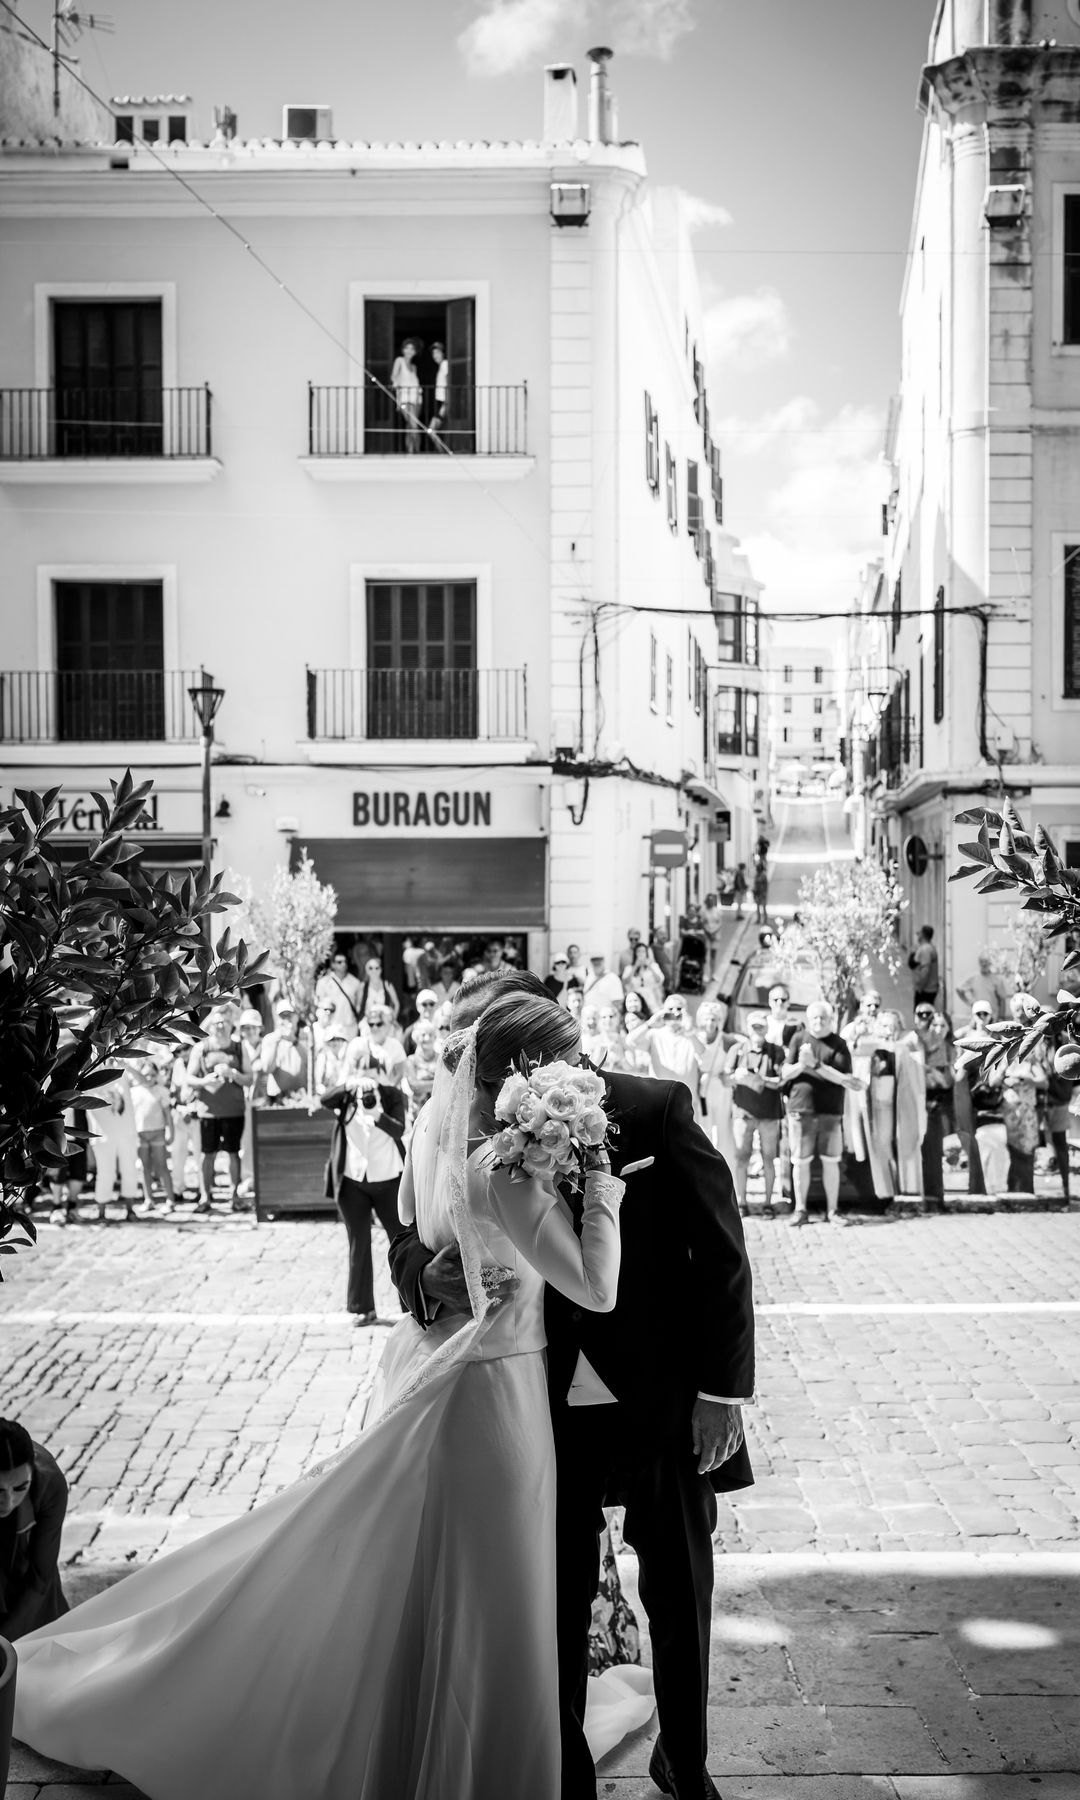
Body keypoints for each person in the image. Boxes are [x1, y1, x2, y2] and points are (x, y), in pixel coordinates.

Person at [13, 993, 635, 1800]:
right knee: (489, 1590)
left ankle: (430, 1741)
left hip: (455, 1379)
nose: (578, 1073)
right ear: (528, 1070)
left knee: (441, 1578)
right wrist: (602, 1187)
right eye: (566, 1061)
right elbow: (595, 1287)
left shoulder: (438, 1141)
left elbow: (411, 1223)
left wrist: (455, 1261)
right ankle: (477, 1765)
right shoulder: (511, 1166)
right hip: (500, 1395)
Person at [389, 971, 755, 1800]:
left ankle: (686, 1763)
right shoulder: (466, 1131)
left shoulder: (657, 1108)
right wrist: (426, 1279)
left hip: (660, 1402)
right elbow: (410, 1233)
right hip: (537, 1404)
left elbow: (723, 1259)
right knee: (546, 1592)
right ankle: (560, 1765)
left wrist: (721, 1394)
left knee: (681, 1585)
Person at [320, 1060, 408, 1326]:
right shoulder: (346, 1097)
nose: (368, 1076)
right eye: (361, 1069)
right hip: (353, 1179)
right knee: (358, 1242)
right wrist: (349, 1085)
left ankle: (411, 1306)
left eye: (372, 1070)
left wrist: (376, 1113)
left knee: (401, 1241)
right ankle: (362, 1307)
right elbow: (324, 1099)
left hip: (388, 1177)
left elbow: (399, 1129)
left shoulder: (392, 1095)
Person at [781, 999, 865, 1227]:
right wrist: (802, 1064)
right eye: (814, 1018)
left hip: (830, 1112)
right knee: (800, 1161)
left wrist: (815, 1065)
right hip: (801, 1110)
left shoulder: (839, 1044)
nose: (818, 1022)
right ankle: (800, 1209)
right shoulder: (799, 1039)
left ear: (830, 1020)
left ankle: (832, 1211)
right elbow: (785, 1072)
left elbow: (846, 1079)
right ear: (809, 1020)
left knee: (831, 1161)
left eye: (823, 1018)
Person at [0, 1420, 68, 1642]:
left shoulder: (49, 1484)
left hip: (24, 1569)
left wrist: (6, 1638)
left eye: (20, 1488)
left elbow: (41, 1574)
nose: (8, 1502)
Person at [188, 1012, 252, 1214]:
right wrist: (205, 1081)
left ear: (231, 1025)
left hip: (234, 1110)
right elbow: (189, 1079)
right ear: (210, 1026)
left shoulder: (239, 1048)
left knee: (233, 1153)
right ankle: (205, 1196)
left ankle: (234, 1196)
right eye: (217, 1023)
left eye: (225, 1022)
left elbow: (249, 1078)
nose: (221, 1026)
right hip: (208, 1112)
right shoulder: (201, 1048)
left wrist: (234, 1074)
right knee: (207, 1154)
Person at [724, 1011, 785, 1215]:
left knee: (769, 1158)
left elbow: (782, 1081)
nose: (757, 1030)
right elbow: (725, 1079)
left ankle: (768, 1202)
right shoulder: (737, 1049)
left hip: (769, 1113)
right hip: (743, 1112)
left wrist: (760, 1079)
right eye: (754, 1027)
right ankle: (741, 1202)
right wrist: (736, 1077)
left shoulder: (776, 1051)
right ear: (748, 1028)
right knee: (742, 1158)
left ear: (767, 1028)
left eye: (761, 1026)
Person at [627, 997, 706, 1124]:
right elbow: (631, 1041)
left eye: (679, 1009)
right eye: (670, 1009)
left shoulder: (693, 1035)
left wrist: (689, 1030)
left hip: (685, 1102)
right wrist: (650, 1023)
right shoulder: (655, 1034)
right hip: (660, 1100)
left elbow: (703, 1053)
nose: (674, 1012)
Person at [912, 1003, 954, 1209]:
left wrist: (927, 1070)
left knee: (932, 1153)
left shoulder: (943, 1045)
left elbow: (943, 1080)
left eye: (930, 1015)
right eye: (922, 1014)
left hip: (934, 1103)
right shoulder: (912, 1040)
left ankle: (935, 1199)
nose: (926, 1019)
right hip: (913, 1101)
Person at [88, 1067, 140, 1222]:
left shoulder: (121, 1068)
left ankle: (130, 1210)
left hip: (126, 1132)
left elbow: (144, 1080)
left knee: (129, 1169)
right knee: (105, 1173)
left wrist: (125, 1063)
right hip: (102, 1134)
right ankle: (101, 1213)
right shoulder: (89, 1073)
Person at [129, 1057, 175, 1216]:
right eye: (146, 1074)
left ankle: (170, 1200)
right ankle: (148, 1199)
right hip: (141, 1135)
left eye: (153, 1074)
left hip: (158, 1133)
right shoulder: (134, 1092)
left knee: (162, 1167)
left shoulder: (161, 1091)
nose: (149, 1077)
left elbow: (168, 1114)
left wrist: (171, 1132)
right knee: (144, 1167)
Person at [346, 1005, 407, 1088]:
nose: (374, 1027)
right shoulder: (357, 1044)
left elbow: (399, 1074)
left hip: (385, 1093)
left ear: (388, 1025)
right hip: (359, 1090)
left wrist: (387, 1090)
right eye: (371, 1024)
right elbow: (348, 1073)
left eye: (379, 1024)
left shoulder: (395, 1045)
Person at [316, 951, 364, 1036]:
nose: (343, 964)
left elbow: (359, 1005)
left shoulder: (355, 982)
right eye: (339, 962)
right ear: (333, 964)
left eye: (345, 962)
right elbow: (319, 1004)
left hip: (349, 1027)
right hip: (330, 1027)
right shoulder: (323, 982)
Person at [391, 335, 423, 452]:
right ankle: (417, 451)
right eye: (407, 348)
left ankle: (410, 451)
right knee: (414, 425)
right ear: (403, 349)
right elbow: (394, 376)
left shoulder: (414, 367)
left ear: (415, 352)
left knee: (410, 426)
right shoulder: (399, 361)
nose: (409, 351)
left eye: (412, 349)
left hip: (417, 399)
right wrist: (395, 383)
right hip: (404, 398)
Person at [956, 952, 1008, 1021]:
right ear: (979, 963)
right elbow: (959, 989)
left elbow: (1002, 1000)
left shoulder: (996, 979)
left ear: (989, 963)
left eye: (986, 962)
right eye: (982, 962)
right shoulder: (974, 978)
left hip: (993, 1018)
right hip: (977, 1017)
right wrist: (970, 1002)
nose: (984, 964)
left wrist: (1001, 1017)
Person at [622, 940, 665, 1016]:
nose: (641, 954)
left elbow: (659, 980)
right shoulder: (629, 968)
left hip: (652, 1001)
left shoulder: (654, 966)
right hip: (636, 1001)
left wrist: (650, 966)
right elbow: (625, 983)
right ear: (635, 953)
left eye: (643, 951)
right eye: (639, 951)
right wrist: (635, 967)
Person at [358, 956, 400, 1023]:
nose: (374, 971)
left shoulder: (387, 985)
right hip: (368, 1024)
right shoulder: (363, 986)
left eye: (377, 968)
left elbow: (396, 1003)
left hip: (385, 1024)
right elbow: (358, 1005)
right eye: (370, 968)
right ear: (367, 970)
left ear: (381, 969)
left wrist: (393, 1019)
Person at [908, 925, 940, 1010]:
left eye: (919, 933)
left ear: (922, 935)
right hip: (927, 989)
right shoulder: (925, 947)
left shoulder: (926, 949)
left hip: (926, 990)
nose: (917, 935)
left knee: (922, 1013)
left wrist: (920, 987)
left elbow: (925, 971)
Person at [402, 989, 440, 1054]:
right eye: (424, 1004)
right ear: (417, 1006)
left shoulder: (442, 1028)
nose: (428, 1007)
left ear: (436, 1005)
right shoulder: (410, 1032)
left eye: (431, 1004)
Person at [428, 340, 449, 443]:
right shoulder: (441, 366)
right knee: (433, 430)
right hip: (441, 402)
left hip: (445, 403)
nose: (435, 356)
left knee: (432, 430)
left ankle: (444, 453)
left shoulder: (445, 364)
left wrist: (446, 403)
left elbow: (450, 381)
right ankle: (443, 452)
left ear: (443, 353)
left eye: (437, 353)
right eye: (433, 353)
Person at [700, 893, 723, 983]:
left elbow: (720, 923)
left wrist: (714, 932)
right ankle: (704, 973)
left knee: (713, 955)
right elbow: (703, 923)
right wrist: (708, 932)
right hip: (707, 934)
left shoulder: (717, 911)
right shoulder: (703, 911)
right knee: (705, 954)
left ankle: (713, 973)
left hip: (715, 935)